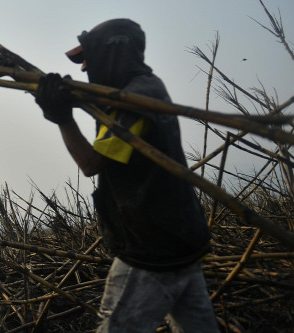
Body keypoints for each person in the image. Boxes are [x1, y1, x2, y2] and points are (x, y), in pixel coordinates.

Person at [35, 19, 219, 332]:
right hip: (181, 238)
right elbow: (105, 111)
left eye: (87, 60)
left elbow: (92, 164)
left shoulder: (136, 103)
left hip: (152, 246)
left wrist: (62, 118)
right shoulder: (144, 89)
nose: (83, 70)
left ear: (112, 55)